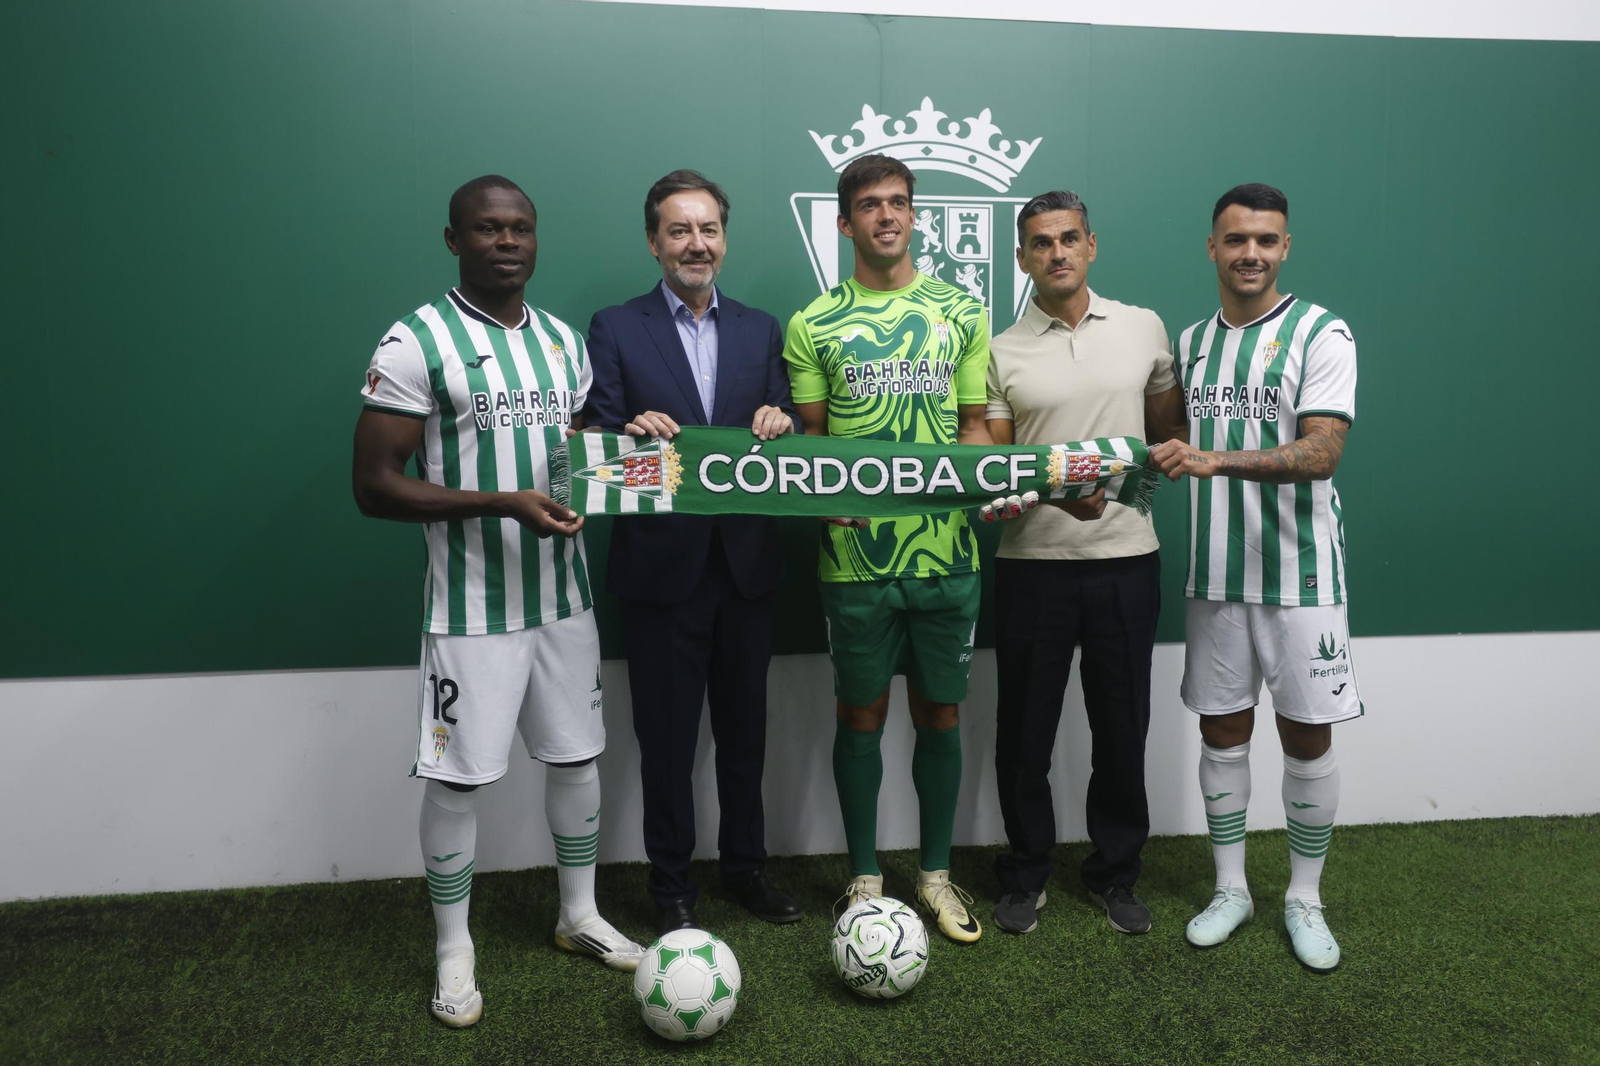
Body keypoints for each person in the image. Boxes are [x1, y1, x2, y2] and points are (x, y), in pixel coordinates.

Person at [352, 175, 644, 1028]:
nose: (506, 241)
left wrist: (629, 444)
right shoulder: (418, 340)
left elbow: (577, 449)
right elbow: (373, 486)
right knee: (458, 778)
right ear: (454, 240)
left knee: (577, 757)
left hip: (564, 595)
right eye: (486, 229)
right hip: (471, 609)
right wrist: (498, 501)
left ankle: (578, 914)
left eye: (519, 228)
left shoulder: (561, 343)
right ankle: (454, 948)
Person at [1149, 182, 1360, 973]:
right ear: (1212, 246)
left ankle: (1304, 895)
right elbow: (1163, 439)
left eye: (1266, 241)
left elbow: (1322, 452)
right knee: (1222, 731)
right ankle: (1231, 888)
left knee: (1307, 737)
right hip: (1216, 572)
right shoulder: (1193, 340)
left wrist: (1217, 458)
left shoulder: (1320, 331)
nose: (1251, 253)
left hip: (1303, 578)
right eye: (1236, 239)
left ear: (1285, 248)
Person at [583, 169, 801, 935]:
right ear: (654, 242)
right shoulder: (615, 327)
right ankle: (671, 886)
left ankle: (747, 869)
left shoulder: (760, 329)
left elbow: (787, 435)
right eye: (679, 231)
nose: (695, 244)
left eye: (707, 229)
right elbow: (596, 445)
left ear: (724, 238)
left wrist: (782, 421)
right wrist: (626, 432)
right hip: (658, 572)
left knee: (746, 737)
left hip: (745, 568)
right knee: (667, 746)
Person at [782, 153, 992, 943]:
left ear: (915, 214)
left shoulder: (959, 312)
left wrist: (983, 493)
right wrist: (826, 501)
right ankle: (866, 879)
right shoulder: (813, 323)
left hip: (946, 554)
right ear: (844, 223)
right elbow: (812, 442)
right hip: (856, 563)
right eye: (869, 205)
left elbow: (974, 429)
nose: (887, 216)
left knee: (940, 710)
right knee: (860, 711)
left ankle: (935, 876)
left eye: (899, 203)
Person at [985, 191, 1187, 937]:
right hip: (1032, 562)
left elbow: (1169, 432)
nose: (1058, 252)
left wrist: (1166, 454)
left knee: (1122, 725)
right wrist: (1055, 494)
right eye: (1041, 243)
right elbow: (1001, 465)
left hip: (1127, 562)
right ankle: (1026, 872)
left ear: (1092, 245)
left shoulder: (1143, 329)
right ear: (1023, 257)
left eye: (1070, 238)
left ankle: (1114, 873)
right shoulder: (1001, 349)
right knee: (1023, 733)